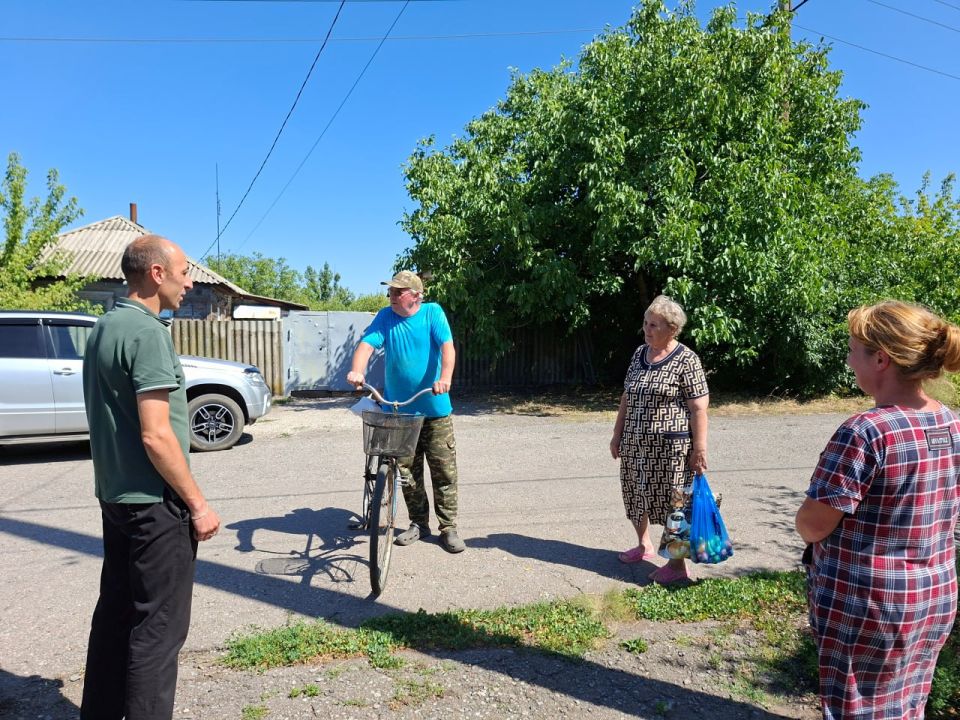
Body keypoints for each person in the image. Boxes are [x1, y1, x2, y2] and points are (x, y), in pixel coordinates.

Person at [795, 300, 960, 720]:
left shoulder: (867, 431)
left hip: (868, 606)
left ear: (881, 359)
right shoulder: (950, 423)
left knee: (857, 708)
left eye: (854, 350)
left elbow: (813, 525)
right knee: (907, 705)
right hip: (933, 595)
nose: (849, 360)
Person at [80, 235, 221, 720]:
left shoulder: (105, 327)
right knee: (158, 633)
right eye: (184, 271)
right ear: (157, 274)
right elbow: (156, 436)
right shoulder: (148, 333)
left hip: (116, 498)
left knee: (116, 617)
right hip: (154, 505)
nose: (190, 281)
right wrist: (198, 504)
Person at [346, 270, 465, 553]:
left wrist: (445, 378)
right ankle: (418, 524)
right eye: (391, 292)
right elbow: (366, 345)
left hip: (435, 409)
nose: (392, 296)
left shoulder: (433, 313)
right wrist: (357, 371)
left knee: (443, 472)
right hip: (400, 412)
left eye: (398, 292)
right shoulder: (386, 317)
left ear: (416, 295)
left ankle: (448, 528)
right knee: (407, 473)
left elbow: (447, 349)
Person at [609, 295, 709, 585]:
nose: (647, 329)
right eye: (645, 323)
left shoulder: (687, 359)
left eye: (654, 325)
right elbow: (627, 397)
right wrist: (617, 434)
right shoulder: (639, 354)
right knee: (634, 493)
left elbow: (699, 407)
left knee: (675, 505)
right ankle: (644, 545)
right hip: (634, 445)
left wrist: (700, 448)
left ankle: (677, 565)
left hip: (672, 450)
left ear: (673, 329)